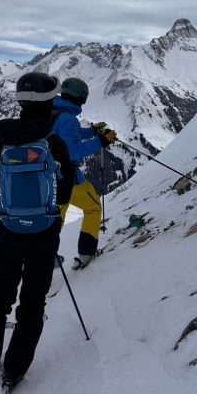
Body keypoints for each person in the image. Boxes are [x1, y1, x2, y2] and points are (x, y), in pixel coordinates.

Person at [0, 71, 75, 394]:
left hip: (7, 236)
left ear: (19, 101)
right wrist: (50, 219)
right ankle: (15, 369)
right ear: (49, 103)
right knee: (32, 304)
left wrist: (0, 220)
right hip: (44, 238)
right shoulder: (53, 142)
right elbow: (65, 188)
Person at [51, 77, 116, 269]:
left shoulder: (52, 111)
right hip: (68, 177)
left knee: (57, 217)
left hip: (49, 177)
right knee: (93, 207)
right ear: (81, 98)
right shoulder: (68, 118)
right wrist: (101, 142)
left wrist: (93, 132)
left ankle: (45, 256)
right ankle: (86, 253)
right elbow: (73, 150)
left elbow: (67, 134)